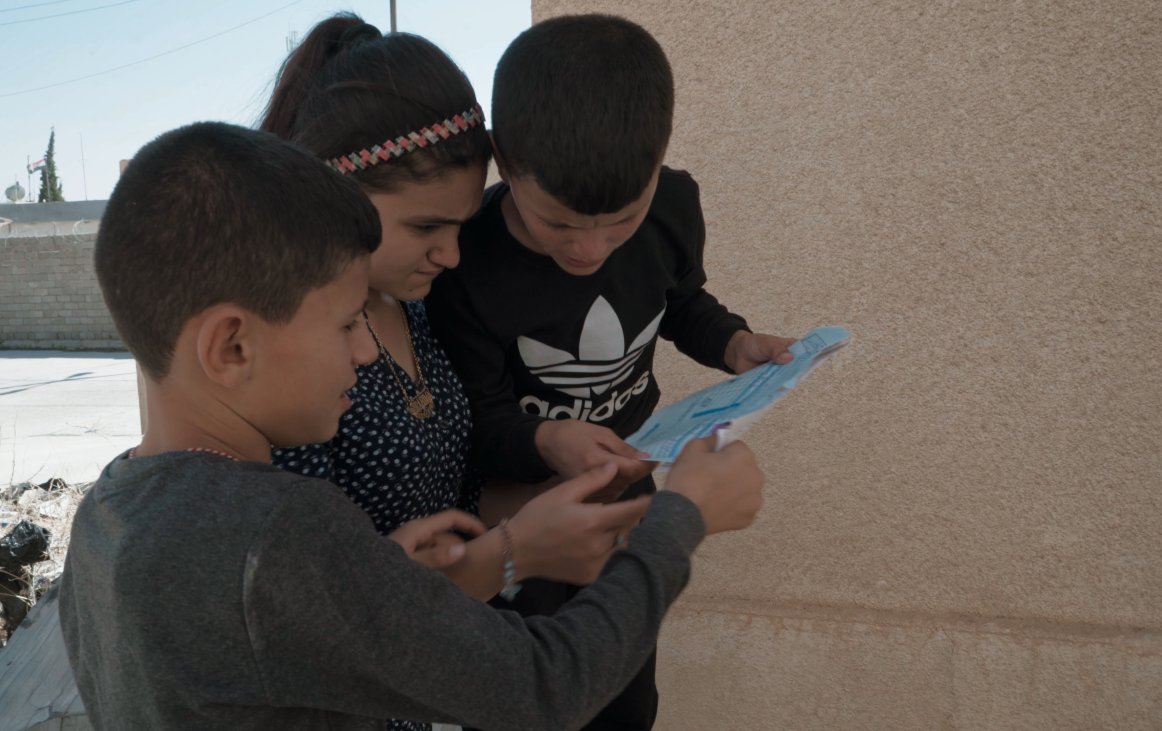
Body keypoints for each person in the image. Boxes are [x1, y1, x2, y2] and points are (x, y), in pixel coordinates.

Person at [59, 120, 768, 731]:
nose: (367, 351)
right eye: (345, 324)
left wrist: (412, 575)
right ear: (232, 346)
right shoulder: (275, 534)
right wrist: (682, 517)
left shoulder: (106, 516)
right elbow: (544, 687)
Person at [425, 14, 797, 731]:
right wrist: (545, 442)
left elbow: (682, 301)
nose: (589, 249)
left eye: (619, 222)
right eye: (556, 224)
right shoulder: (469, 261)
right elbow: (477, 417)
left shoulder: (674, 208)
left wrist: (733, 343)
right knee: (523, 695)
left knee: (625, 688)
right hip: (520, 510)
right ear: (503, 160)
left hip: (628, 491)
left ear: (659, 166)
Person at [259, 14, 634, 621]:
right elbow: (314, 607)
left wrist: (556, 500)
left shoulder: (423, 305)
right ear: (331, 194)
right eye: (426, 227)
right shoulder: (283, 348)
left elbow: (453, 502)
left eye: (460, 225)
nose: (451, 254)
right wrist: (518, 552)